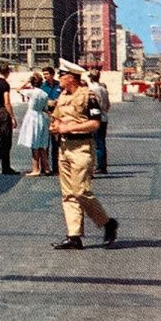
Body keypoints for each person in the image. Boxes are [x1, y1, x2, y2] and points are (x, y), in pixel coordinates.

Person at [48, 61, 118, 250]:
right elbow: (56, 117)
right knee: (68, 194)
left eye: (62, 75)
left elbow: (95, 123)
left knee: (81, 191)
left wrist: (70, 127)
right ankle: (74, 235)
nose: (59, 79)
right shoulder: (62, 96)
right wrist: (55, 127)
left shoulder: (89, 96)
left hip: (82, 147)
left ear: (72, 77)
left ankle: (107, 223)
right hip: (64, 147)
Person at [17, 73, 51, 177]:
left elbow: (18, 89)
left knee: (34, 144)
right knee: (42, 144)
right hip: (41, 117)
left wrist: (26, 82)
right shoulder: (44, 94)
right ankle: (46, 168)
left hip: (32, 117)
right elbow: (45, 108)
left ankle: (36, 168)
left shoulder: (32, 92)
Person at [40, 65, 62, 175]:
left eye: (47, 74)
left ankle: (56, 167)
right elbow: (40, 99)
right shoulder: (43, 86)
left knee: (56, 143)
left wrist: (57, 101)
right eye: (44, 75)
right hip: (46, 115)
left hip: (57, 116)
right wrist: (48, 102)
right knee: (45, 143)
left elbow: (64, 96)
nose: (45, 76)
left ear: (52, 74)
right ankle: (45, 167)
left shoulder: (59, 85)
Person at [88, 69, 111, 175]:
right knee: (102, 142)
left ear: (91, 78)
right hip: (104, 117)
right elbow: (108, 104)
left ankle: (98, 166)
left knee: (95, 142)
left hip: (94, 118)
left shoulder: (92, 89)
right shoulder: (103, 89)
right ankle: (103, 165)